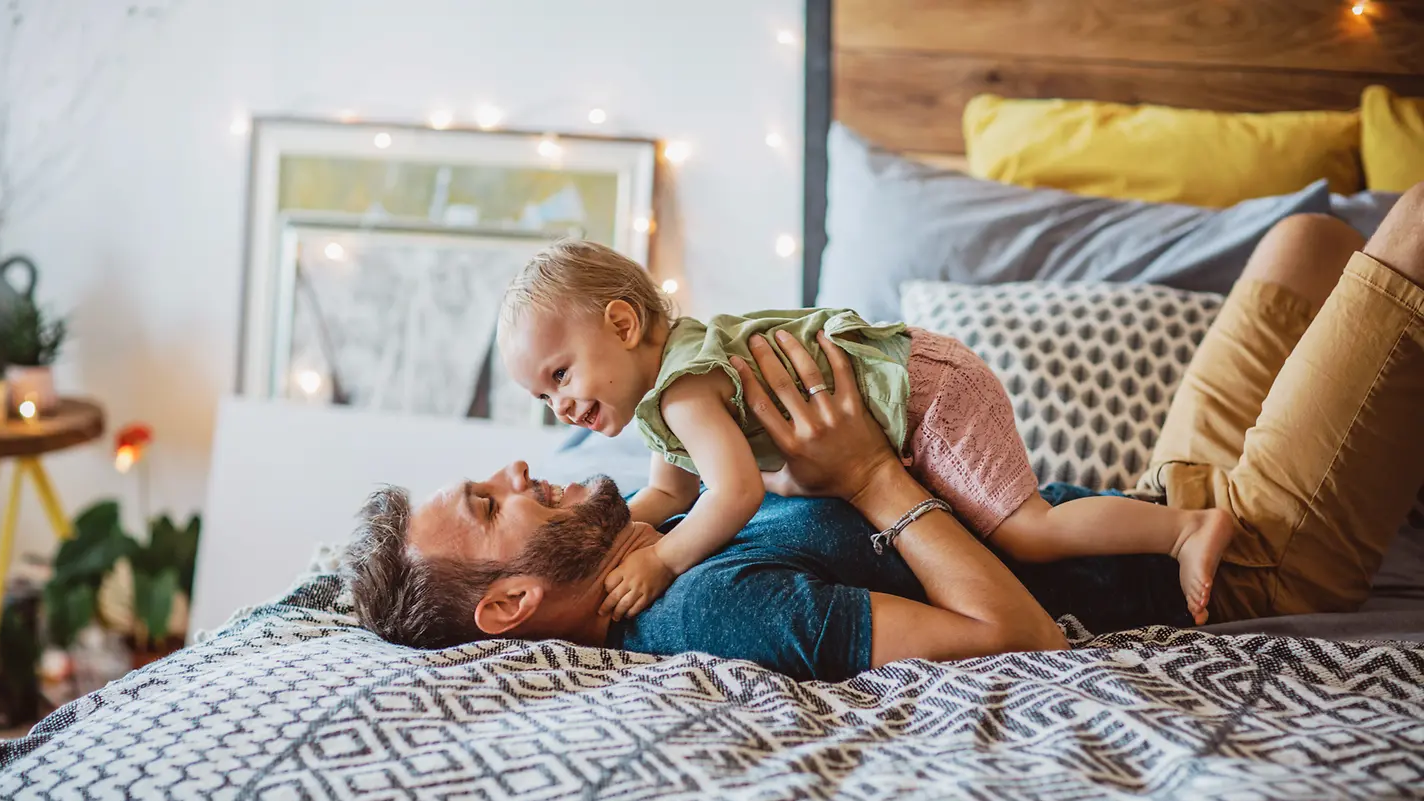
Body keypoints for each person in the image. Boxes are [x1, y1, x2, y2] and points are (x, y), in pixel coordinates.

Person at [344, 187, 1424, 682]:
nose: (524, 463)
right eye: (489, 505)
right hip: (1254, 567)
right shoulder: (711, 608)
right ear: (509, 605)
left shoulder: (654, 520)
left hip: (1163, 494)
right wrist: (865, 471)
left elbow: (688, 485)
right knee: (1405, 230)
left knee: (1307, 236)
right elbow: (1021, 640)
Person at [494, 241, 1234, 626]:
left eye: (559, 375)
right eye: (539, 395)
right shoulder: (664, 400)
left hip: (924, 392)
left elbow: (737, 490)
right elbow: (668, 490)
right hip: (910, 390)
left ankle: (1181, 528)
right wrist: (614, 528)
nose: (557, 405)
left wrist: (665, 563)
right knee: (991, 529)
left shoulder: (685, 387)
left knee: (1027, 532)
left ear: (623, 324)